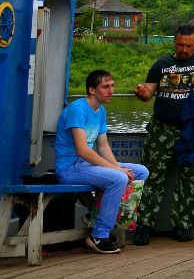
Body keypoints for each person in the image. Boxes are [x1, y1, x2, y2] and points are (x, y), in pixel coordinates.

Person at [132, 25, 194, 245]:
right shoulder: (161, 64)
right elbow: (148, 91)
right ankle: (144, 226)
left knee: (189, 178)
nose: (185, 49)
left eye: (189, 45)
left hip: (192, 129)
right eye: (180, 45)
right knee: (152, 176)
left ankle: (183, 226)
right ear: (174, 43)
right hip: (162, 128)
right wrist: (141, 92)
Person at [56, 70, 150, 254]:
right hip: (70, 168)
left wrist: (117, 167)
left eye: (112, 86)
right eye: (105, 87)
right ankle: (98, 235)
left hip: (87, 166)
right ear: (92, 90)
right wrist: (117, 171)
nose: (111, 90)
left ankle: (96, 215)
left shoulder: (101, 111)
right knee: (118, 178)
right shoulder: (77, 109)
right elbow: (82, 150)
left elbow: (103, 146)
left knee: (141, 172)